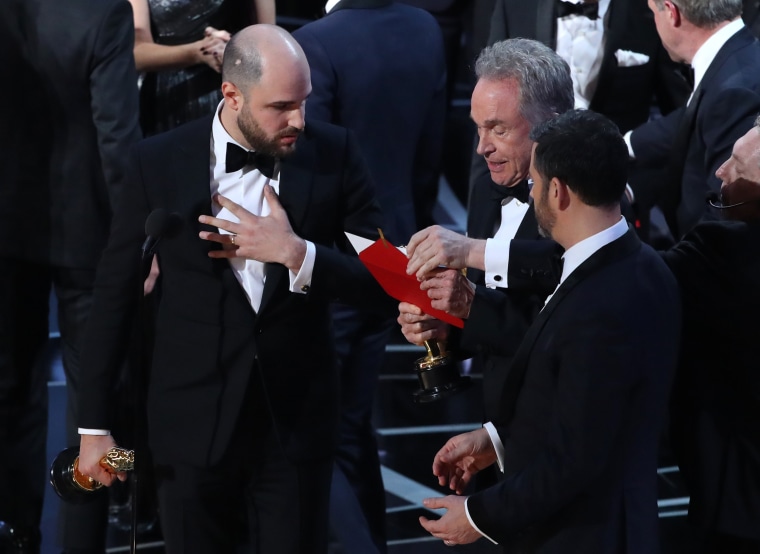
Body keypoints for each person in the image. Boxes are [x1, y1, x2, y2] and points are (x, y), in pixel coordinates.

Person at [76, 24, 394, 554]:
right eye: (282, 106)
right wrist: (93, 429)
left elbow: (385, 283)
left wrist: (299, 254)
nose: (300, 120)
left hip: (293, 427)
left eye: (305, 102)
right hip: (189, 427)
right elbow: (115, 295)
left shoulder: (335, 153)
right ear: (232, 94)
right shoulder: (156, 161)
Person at [409, 109, 681, 552]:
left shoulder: (601, 305)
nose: (531, 193)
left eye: (534, 183)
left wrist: (478, 515)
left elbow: (575, 460)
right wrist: (495, 442)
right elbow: (588, 411)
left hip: (584, 536)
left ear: (558, 191)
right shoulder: (644, 267)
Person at [292, 3, 446, 553]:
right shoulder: (424, 28)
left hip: (334, 264)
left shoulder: (316, 41)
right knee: (352, 425)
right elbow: (432, 154)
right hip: (395, 255)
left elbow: (316, 172)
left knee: (312, 431)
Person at [0, 0, 142, 552]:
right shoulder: (104, 11)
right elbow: (117, 136)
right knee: (96, 402)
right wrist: (137, 242)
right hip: (89, 238)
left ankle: (16, 533)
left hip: (9, 232)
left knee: (12, 392)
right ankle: (84, 542)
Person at [400, 39, 573, 440]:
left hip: (564, 429)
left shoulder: (585, 195)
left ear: (552, 122)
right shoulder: (485, 188)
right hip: (497, 426)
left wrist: (471, 252)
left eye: (498, 128)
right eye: (478, 128)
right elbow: (497, 318)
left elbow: (564, 312)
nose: (482, 147)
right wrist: (447, 324)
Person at [660, 117, 760, 553]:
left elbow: (632, 276)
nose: (721, 171)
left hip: (737, 502)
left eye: (736, 165)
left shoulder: (723, 249)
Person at [627, 0, 760, 242]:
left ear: (671, 12)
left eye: (652, 12)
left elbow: (724, 212)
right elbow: (694, 122)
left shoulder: (734, 91)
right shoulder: (737, 58)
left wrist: (669, 271)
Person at [130, 0, 275, 135]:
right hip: (165, 94)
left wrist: (234, 50)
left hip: (235, 87)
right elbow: (136, 52)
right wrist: (197, 52)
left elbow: (270, 43)